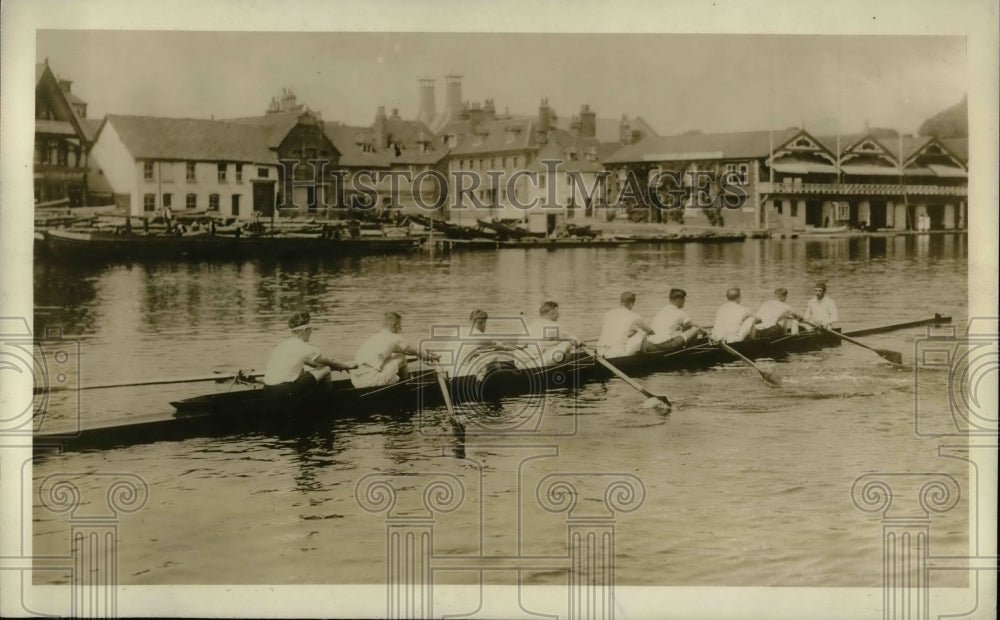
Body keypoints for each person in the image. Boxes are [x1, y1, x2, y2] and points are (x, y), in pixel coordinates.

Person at [263, 312, 355, 391]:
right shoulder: (305, 347)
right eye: (311, 328)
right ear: (304, 330)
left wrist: (335, 366)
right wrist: (345, 365)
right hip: (284, 391)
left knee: (303, 370)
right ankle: (324, 402)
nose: (311, 331)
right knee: (326, 368)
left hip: (267, 389)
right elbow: (329, 362)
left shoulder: (282, 344)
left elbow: (312, 363)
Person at [351, 311, 440, 388]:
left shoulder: (374, 338)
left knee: (390, 359)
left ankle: (397, 380)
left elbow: (407, 350)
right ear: (395, 325)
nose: (401, 329)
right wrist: (431, 357)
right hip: (372, 381)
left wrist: (423, 351)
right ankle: (406, 385)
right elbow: (414, 351)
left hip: (356, 381)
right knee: (401, 357)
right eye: (400, 326)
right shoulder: (395, 338)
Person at [523, 301, 580, 367]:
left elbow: (519, 345)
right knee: (567, 343)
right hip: (537, 364)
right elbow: (571, 338)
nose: (558, 315)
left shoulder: (530, 326)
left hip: (520, 363)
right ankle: (564, 368)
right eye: (557, 313)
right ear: (552, 313)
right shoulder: (553, 325)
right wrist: (579, 342)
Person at [597, 292, 653, 358]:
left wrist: (630, 333)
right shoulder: (635, 316)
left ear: (620, 302)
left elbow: (616, 330)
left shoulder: (608, 313)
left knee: (631, 333)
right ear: (631, 304)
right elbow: (649, 331)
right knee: (642, 333)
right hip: (617, 354)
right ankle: (645, 356)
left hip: (600, 351)